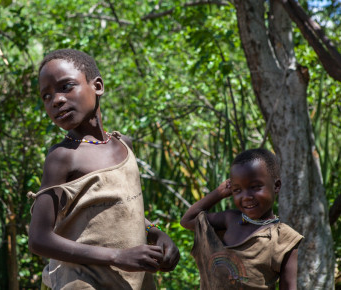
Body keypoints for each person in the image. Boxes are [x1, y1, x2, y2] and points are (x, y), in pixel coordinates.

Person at [27, 49, 179, 289]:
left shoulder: (123, 145)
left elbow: (119, 209)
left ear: (97, 86)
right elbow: (38, 239)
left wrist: (155, 232)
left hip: (130, 282)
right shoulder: (62, 158)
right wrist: (117, 257)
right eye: (46, 96)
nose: (56, 100)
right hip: (83, 283)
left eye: (66, 87)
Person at [180, 148, 303, 290]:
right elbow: (188, 220)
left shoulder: (284, 238)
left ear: (276, 186)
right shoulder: (230, 219)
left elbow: (289, 287)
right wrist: (219, 193)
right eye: (237, 190)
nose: (246, 196)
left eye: (255, 187)